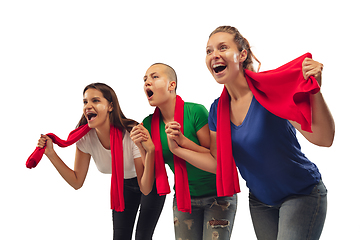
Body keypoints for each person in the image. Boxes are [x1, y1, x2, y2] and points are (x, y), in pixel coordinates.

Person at [168, 26, 335, 240]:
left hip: (301, 193)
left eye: (223, 47)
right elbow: (218, 163)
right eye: (209, 51)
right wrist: (179, 147)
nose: (214, 55)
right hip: (261, 202)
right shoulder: (217, 110)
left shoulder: (270, 91)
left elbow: (324, 138)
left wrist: (315, 92)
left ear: (242, 55)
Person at [36, 83, 165, 240]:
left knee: (142, 237)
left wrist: (150, 151)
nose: (88, 106)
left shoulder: (131, 133)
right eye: (85, 102)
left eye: (95, 101)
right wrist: (51, 153)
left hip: (151, 181)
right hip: (123, 184)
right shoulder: (86, 139)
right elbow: (76, 181)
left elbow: (145, 187)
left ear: (110, 106)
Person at [130, 63, 237, 240]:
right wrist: (145, 149)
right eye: (145, 79)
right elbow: (147, 187)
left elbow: (215, 158)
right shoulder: (148, 125)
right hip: (184, 199)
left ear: (171, 85)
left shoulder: (195, 111)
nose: (147, 82)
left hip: (218, 195)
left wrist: (182, 143)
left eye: (154, 77)